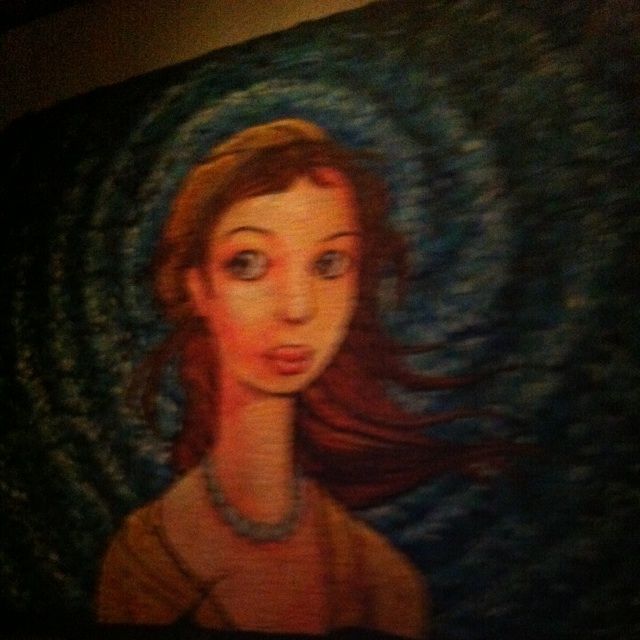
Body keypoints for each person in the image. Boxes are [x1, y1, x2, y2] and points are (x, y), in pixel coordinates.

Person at [96, 119, 509, 638]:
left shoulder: (383, 582)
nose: (297, 308)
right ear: (198, 287)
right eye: (248, 263)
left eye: (330, 263)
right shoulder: (144, 565)